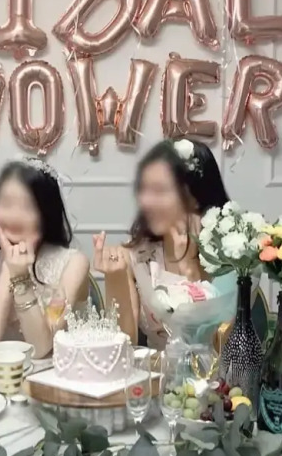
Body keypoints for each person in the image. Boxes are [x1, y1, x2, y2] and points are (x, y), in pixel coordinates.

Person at [93, 139, 230, 349]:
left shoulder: (230, 254)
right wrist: (116, 277)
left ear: (195, 196)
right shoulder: (136, 255)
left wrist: (189, 269)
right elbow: (124, 342)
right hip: (155, 368)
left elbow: (215, 344)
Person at [0, 158, 90, 359]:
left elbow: (41, 348)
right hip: (5, 377)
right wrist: (9, 270)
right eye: (6, 203)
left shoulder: (73, 263)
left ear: (46, 213)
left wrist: (21, 279)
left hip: (62, 374)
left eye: (27, 206)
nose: (14, 215)